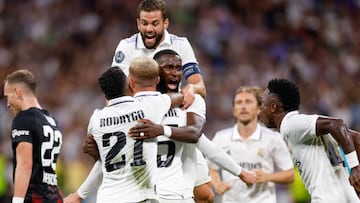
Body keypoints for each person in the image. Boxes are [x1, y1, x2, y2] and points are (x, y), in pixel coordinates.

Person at [128, 49, 257, 203]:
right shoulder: (143, 106)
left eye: (178, 68)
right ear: (156, 73)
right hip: (158, 185)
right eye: (168, 68)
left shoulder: (191, 101)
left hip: (182, 163)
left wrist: (240, 172)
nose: (175, 73)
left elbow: (196, 136)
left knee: (206, 197)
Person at [64, 57, 183, 203]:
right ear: (131, 85)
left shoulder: (96, 119)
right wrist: (187, 93)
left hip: (107, 198)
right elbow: (176, 98)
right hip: (140, 197)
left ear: (105, 95)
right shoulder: (149, 107)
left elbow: (100, 158)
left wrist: (79, 195)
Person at [259, 78, 360, 203]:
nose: (260, 110)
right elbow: (355, 138)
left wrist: (355, 168)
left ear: (273, 107)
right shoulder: (309, 125)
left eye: (262, 104)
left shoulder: (290, 124)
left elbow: (338, 125)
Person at [111, 0, 206, 108]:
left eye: (155, 23)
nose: (149, 29)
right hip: (137, 114)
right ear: (138, 23)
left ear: (165, 23)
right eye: (144, 23)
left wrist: (191, 88)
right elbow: (114, 89)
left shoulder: (181, 44)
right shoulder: (126, 46)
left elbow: (200, 86)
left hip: (172, 112)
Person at [208, 86, 295, 203]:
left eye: (248, 102)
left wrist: (267, 177)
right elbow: (211, 168)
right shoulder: (220, 138)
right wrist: (217, 184)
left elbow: (290, 174)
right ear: (234, 111)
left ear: (259, 109)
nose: (243, 106)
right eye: (239, 102)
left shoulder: (273, 138)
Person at [3, 69, 63, 203]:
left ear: (18, 92)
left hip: (35, 197)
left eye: (7, 96)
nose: (7, 104)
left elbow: (24, 164)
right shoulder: (51, 120)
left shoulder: (24, 119)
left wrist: (17, 200)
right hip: (54, 196)